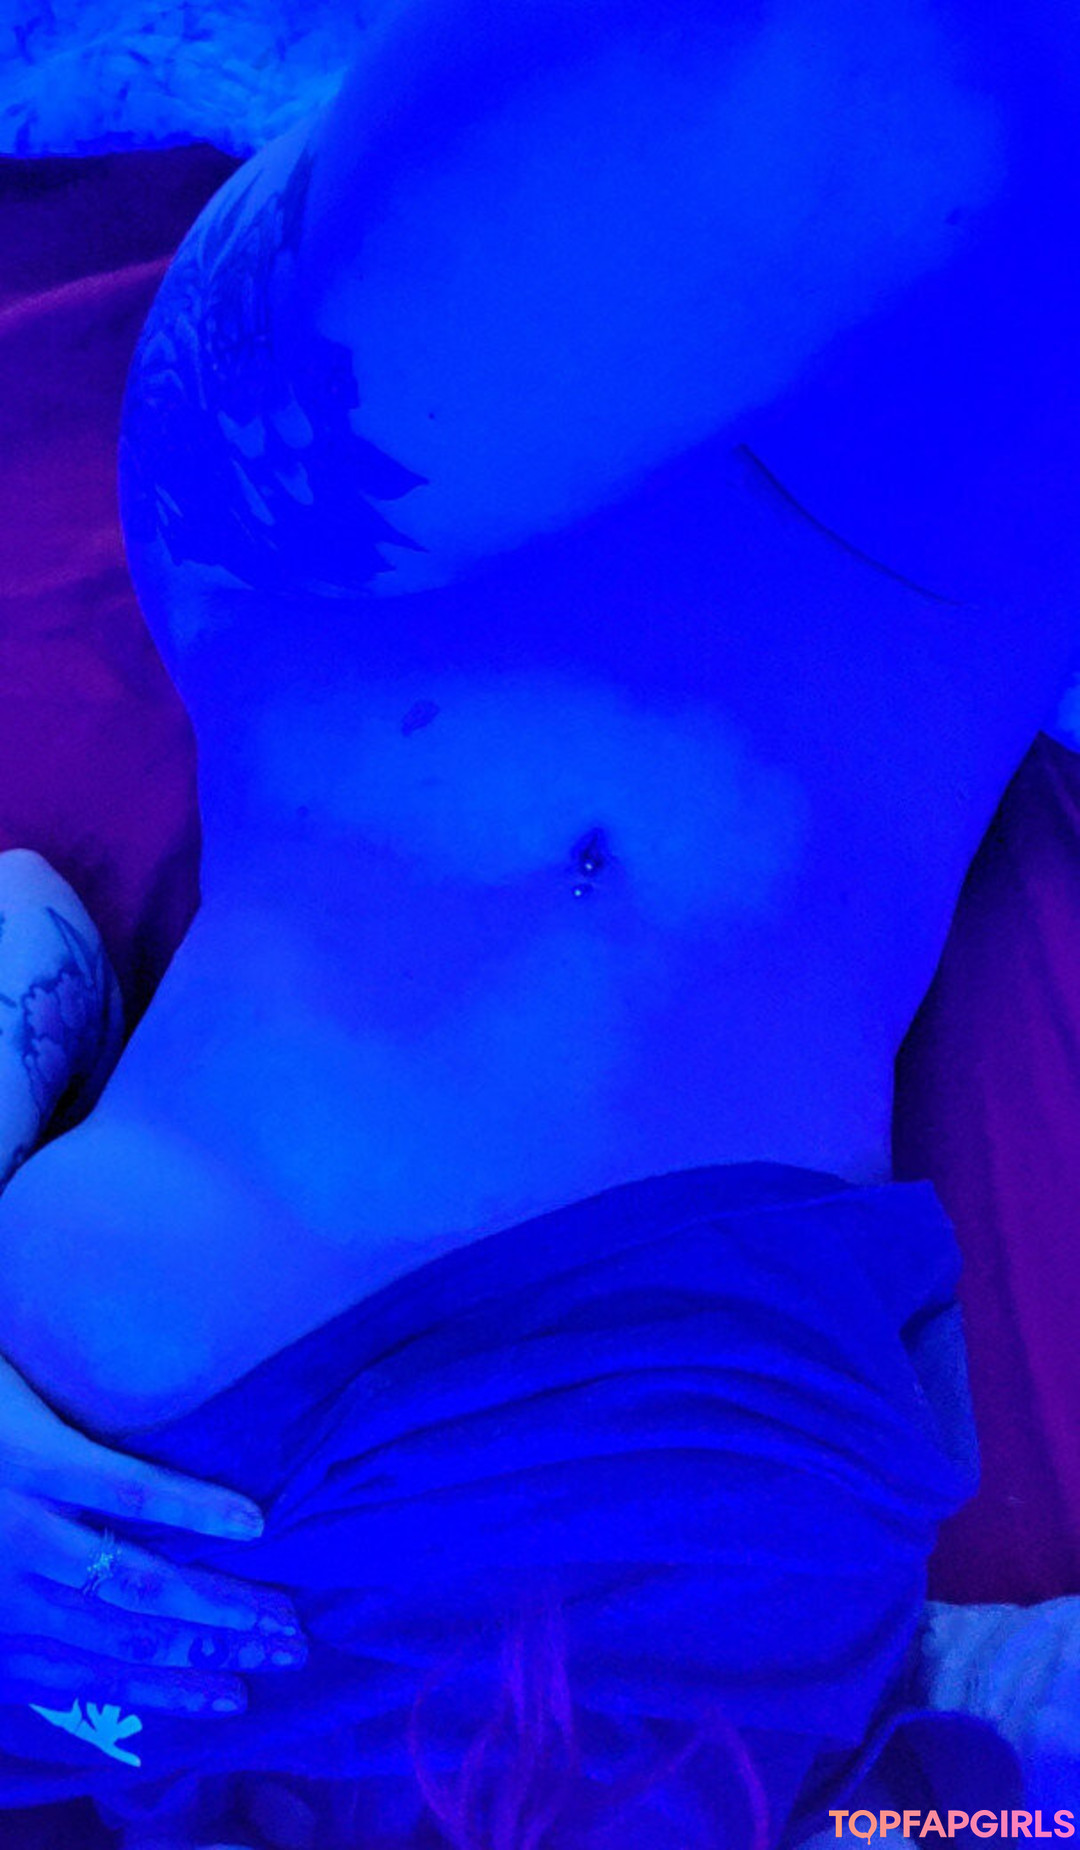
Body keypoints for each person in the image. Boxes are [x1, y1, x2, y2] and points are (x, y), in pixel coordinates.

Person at [0, 0, 1079, 1841]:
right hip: (872, 642)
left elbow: (31, 929)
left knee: (858, 68)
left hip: (367, 600)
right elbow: (1010, 1748)